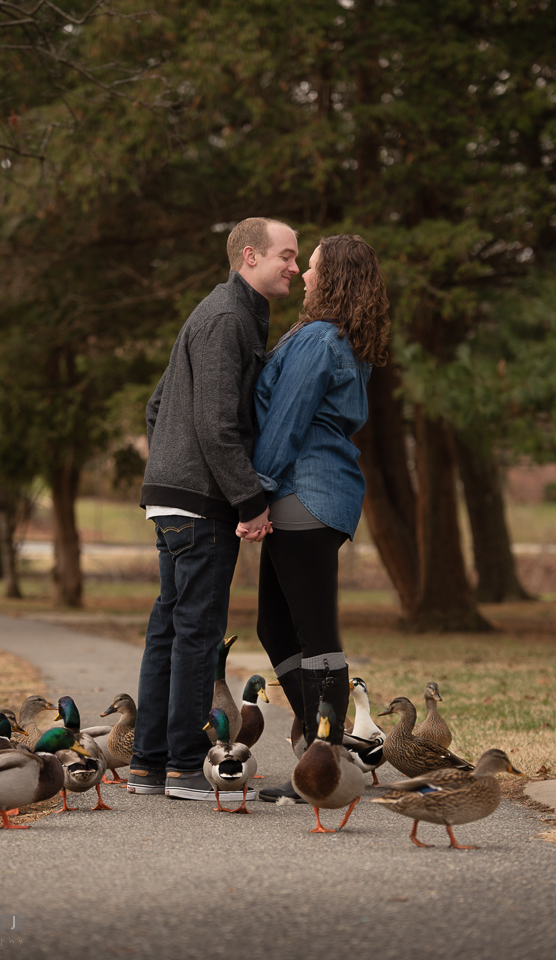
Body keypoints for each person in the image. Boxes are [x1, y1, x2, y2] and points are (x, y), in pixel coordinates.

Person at [127, 217, 300, 800]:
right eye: (288, 256)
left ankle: (148, 765)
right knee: (196, 634)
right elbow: (214, 424)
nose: (296, 268)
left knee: (170, 632)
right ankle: (184, 767)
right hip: (201, 507)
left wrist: (171, 472)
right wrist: (249, 500)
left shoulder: (224, 313)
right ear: (250, 256)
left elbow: (158, 407)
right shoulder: (228, 318)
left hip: (175, 500)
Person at [243, 234, 390, 802]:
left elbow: (285, 422)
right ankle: (319, 753)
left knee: (317, 636)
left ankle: (324, 765)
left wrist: (255, 494)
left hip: (302, 492)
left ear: (333, 279)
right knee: (277, 628)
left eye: (314, 267)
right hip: (321, 495)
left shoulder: (318, 341)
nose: (304, 273)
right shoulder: (346, 342)